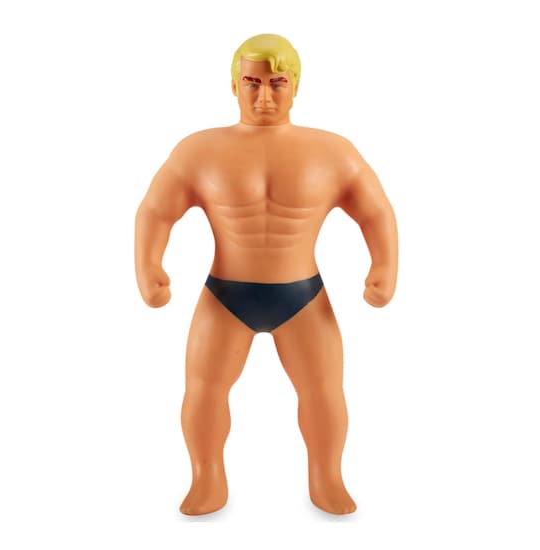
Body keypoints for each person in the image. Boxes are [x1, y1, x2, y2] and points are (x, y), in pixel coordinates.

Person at [135, 33, 398, 515]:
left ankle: (326, 477)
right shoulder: (199, 151)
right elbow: (155, 211)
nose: (263, 98)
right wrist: (149, 265)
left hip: (303, 298)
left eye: (277, 84)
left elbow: (375, 211)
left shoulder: (332, 151)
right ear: (232, 84)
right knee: (204, 389)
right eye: (251, 83)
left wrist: (383, 265)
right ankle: (206, 479)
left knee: (322, 391)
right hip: (225, 296)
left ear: (296, 85)